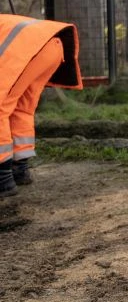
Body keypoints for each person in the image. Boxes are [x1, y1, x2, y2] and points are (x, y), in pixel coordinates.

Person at [0, 14, 83, 197]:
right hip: (53, 47)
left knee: (1, 107)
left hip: (30, 51)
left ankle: (3, 179)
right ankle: (19, 170)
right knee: (22, 108)